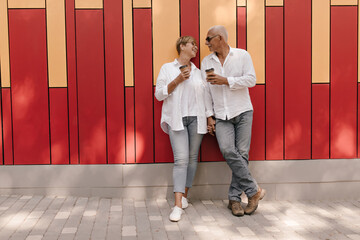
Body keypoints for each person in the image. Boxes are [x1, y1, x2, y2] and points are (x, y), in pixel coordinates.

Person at [201, 25, 265, 217]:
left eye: (208, 39)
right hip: (221, 115)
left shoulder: (242, 55)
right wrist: (209, 116)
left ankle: (235, 200)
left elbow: (251, 80)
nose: (206, 43)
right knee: (229, 151)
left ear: (220, 38)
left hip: (243, 111)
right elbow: (205, 91)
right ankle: (254, 191)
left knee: (242, 154)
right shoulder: (206, 61)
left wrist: (226, 80)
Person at [155, 36, 207, 222]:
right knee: (181, 160)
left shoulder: (199, 72)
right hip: (177, 119)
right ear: (182, 46)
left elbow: (206, 97)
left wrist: (209, 117)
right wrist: (177, 80)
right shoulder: (167, 68)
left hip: (196, 119)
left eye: (196, 45)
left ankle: (184, 196)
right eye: (192, 44)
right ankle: (177, 206)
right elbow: (159, 94)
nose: (196, 47)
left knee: (192, 159)